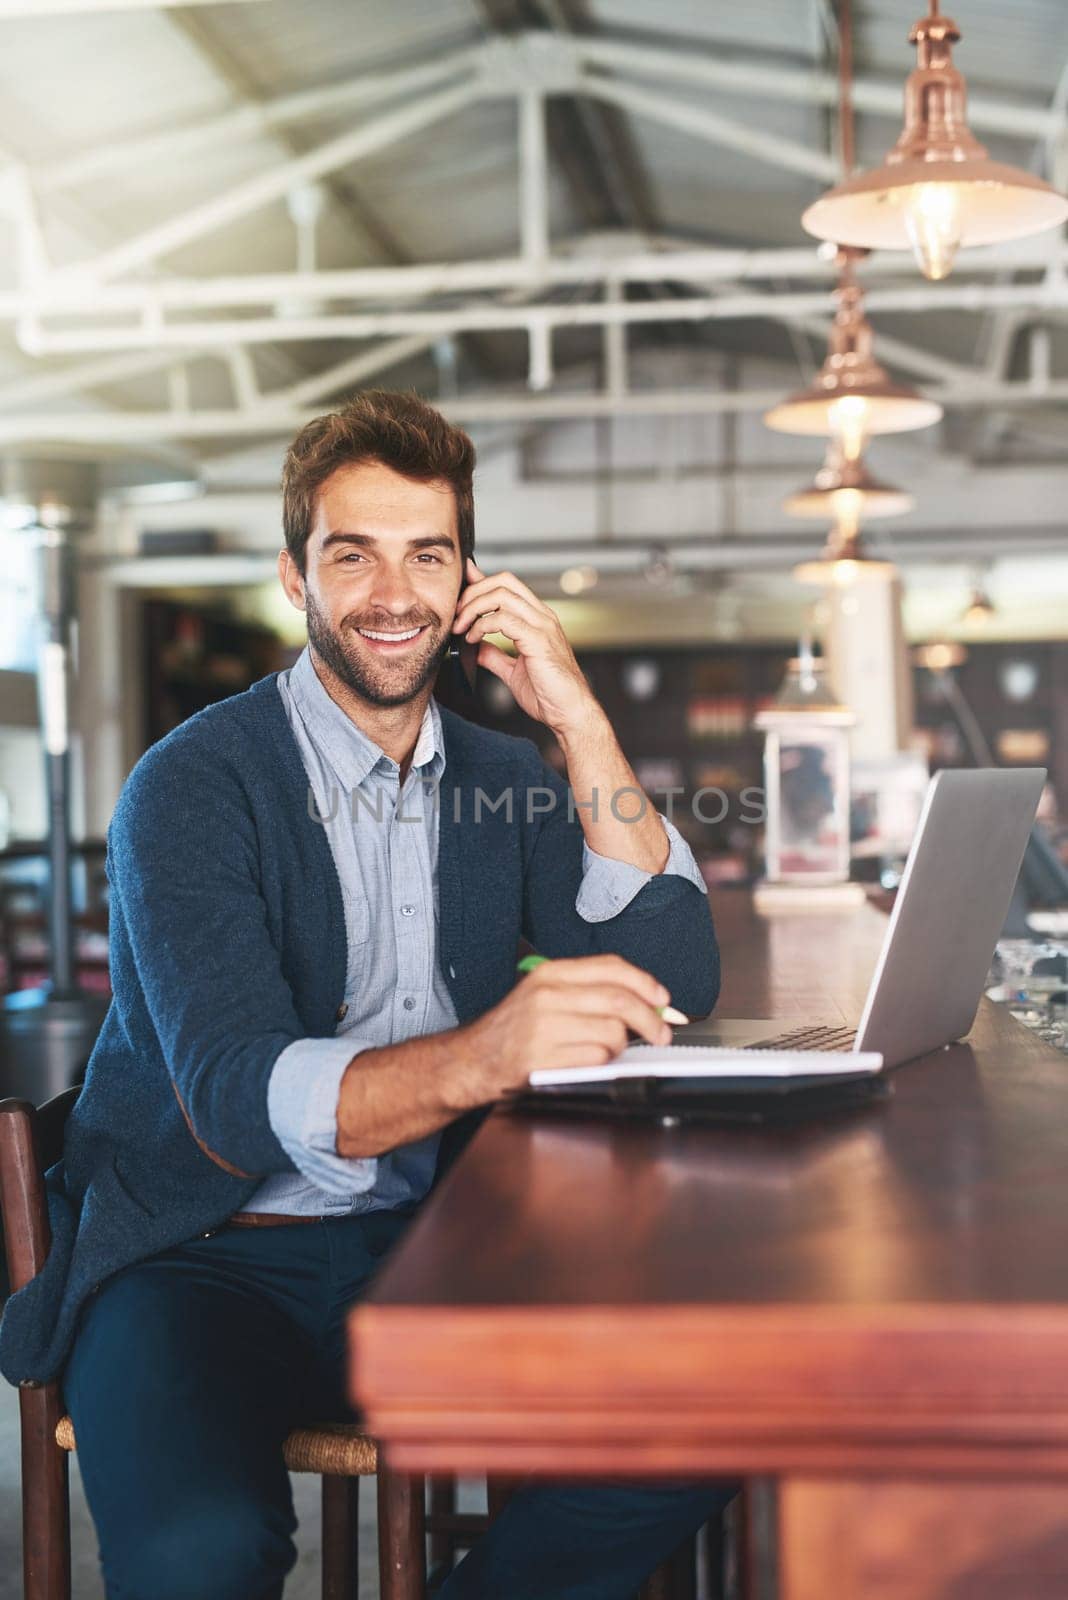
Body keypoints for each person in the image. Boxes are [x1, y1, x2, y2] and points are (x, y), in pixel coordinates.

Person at [0, 390, 729, 1598]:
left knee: (695, 1428)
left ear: (468, 583)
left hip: (424, 1251)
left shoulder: (500, 779)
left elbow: (679, 973)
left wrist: (575, 712)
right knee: (201, 1550)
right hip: (195, 1259)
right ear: (297, 575)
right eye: (355, 554)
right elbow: (234, 1096)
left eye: (427, 555)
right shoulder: (193, 785)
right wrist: (485, 1056)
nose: (395, 593)